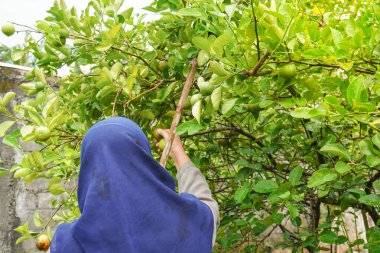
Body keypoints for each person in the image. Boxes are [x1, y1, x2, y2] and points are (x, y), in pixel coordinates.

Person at [50, 116, 219, 253]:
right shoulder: (186, 224)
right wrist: (178, 152)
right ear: (144, 159)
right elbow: (206, 206)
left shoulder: (68, 243)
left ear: (88, 168)